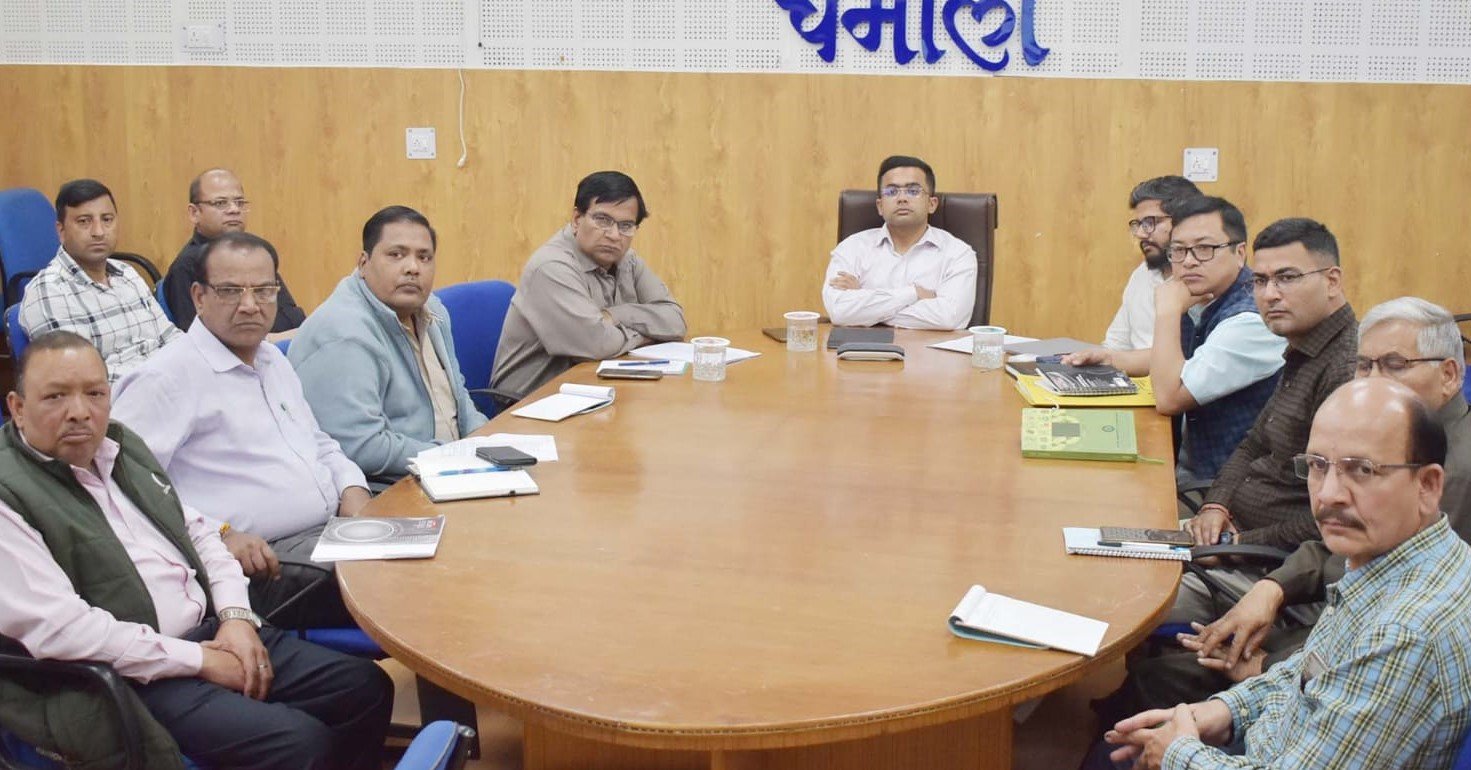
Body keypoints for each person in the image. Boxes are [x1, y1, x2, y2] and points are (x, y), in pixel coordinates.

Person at [0, 331, 392, 770]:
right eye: (55, 397)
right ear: (18, 408)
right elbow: (65, 631)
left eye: (94, 393)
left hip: (211, 630)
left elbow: (202, 535)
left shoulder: (120, 448)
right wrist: (200, 660)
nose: (79, 411)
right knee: (300, 744)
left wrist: (236, 618)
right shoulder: (8, 494)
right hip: (131, 675)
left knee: (364, 689)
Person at [1098, 378, 1471, 770]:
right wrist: (1225, 711)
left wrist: (1179, 753)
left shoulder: (1403, 634)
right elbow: (1311, 671)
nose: (1328, 494)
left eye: (1362, 470)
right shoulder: (1392, 559)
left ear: (1428, 485)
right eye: (1317, 466)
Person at [1122, 297, 1471, 710]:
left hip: (1335, 643)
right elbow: (1340, 547)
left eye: (1394, 365)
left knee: (1161, 676)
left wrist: (1269, 664)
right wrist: (1272, 589)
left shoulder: (1450, 474)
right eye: (1364, 365)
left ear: (1449, 375)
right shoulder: (1390, 439)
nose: (1373, 381)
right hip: (1310, 605)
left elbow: (1378, 620)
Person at [113, 232, 371, 628]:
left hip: (331, 531)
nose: (250, 305)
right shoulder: (165, 378)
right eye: (231, 291)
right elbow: (123, 485)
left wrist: (353, 489)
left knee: (440, 547)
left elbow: (316, 442)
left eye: (264, 290)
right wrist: (220, 535)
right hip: (261, 563)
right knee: (403, 581)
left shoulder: (272, 359)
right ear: (199, 297)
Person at [1162, 217, 1359, 628]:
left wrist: (1238, 544)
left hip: (1267, 567)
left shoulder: (1348, 372)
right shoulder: (1303, 349)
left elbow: (1334, 514)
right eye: (1261, 280)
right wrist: (1216, 504)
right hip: (1231, 535)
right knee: (1105, 547)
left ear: (1332, 281)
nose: (1270, 294)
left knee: (1122, 590)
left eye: (1287, 278)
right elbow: (1254, 443)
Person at [1066, 196, 1285, 483]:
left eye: (1204, 249)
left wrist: (1167, 311)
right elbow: (1188, 359)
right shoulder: (1205, 293)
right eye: (1179, 250)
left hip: (1224, 484)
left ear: (1239, 252)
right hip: (1184, 462)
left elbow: (1169, 397)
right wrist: (1111, 358)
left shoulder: (1250, 321)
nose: (1189, 262)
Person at [289, 206, 486, 490]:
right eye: (396, 254)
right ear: (363, 263)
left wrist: (487, 443)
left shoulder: (433, 311)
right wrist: (453, 458)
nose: (413, 267)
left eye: (424, 257)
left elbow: (458, 395)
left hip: (450, 471)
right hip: (390, 488)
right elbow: (362, 447)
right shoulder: (343, 332)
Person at [490, 171, 687, 403]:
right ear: (577, 219)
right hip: (531, 403)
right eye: (603, 220)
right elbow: (599, 345)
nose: (614, 235)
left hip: (594, 391)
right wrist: (647, 334)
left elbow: (675, 322)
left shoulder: (627, 260)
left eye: (626, 225)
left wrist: (616, 315)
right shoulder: (551, 267)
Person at [18, 179, 180, 382]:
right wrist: (159, 380)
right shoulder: (49, 291)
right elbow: (79, 377)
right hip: (119, 396)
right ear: (61, 231)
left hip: (167, 384)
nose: (99, 232)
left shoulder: (127, 273)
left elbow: (170, 337)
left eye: (107, 219)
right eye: (84, 222)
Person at [821, 155, 978, 330]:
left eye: (913, 191)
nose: (902, 198)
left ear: (932, 204)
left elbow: (949, 317)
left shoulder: (958, 254)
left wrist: (864, 302)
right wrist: (913, 293)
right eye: (891, 192)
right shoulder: (852, 248)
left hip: (931, 348)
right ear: (880, 206)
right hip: (864, 347)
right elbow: (839, 311)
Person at [163, 168, 306, 335]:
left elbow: (291, 315)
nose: (234, 209)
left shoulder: (255, 253)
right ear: (194, 213)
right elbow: (202, 339)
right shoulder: (187, 267)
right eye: (220, 203)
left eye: (239, 202)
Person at [1102, 175, 1201, 350]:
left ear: (1185, 220)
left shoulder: (1203, 281)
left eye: (1150, 222)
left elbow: (1190, 358)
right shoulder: (1142, 274)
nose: (1140, 234)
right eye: (1138, 224)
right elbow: (1116, 343)